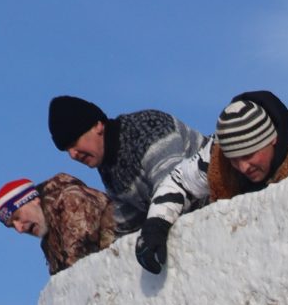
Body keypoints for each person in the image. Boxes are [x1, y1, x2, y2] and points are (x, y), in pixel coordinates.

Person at [45, 95, 210, 276]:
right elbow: (128, 221)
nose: (73, 155)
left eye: (74, 142)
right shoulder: (108, 166)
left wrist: (155, 228)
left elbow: (174, 187)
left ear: (97, 125)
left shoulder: (148, 129)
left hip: (216, 204)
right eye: (66, 150)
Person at [0, 174, 117, 276]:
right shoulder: (49, 242)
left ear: (33, 200)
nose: (19, 229)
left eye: (17, 217)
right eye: (13, 226)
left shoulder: (71, 200)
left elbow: (79, 266)